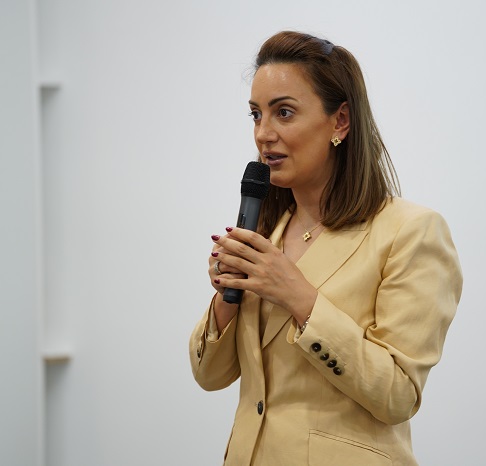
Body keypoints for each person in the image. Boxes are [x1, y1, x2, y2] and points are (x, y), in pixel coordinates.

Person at [189, 31, 462, 466]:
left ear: (340, 122)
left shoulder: (411, 232)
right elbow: (209, 375)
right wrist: (227, 295)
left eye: (284, 112)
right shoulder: (266, 235)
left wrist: (298, 296)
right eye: (256, 114)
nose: (263, 134)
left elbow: (397, 396)